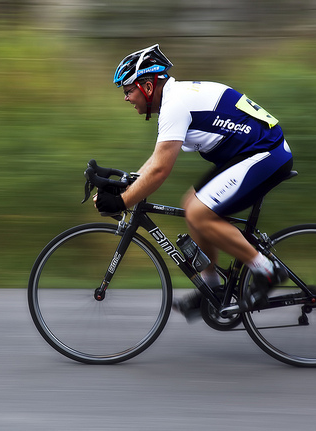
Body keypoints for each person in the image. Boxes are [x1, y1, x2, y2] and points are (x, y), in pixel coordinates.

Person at [94, 44, 293, 321]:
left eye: (128, 91)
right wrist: (126, 186)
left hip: (266, 154)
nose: (126, 99)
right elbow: (155, 161)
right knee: (192, 207)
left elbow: (160, 171)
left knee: (199, 212)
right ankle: (210, 286)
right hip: (253, 153)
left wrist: (122, 200)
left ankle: (267, 270)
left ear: (148, 87)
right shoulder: (176, 98)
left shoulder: (175, 105)